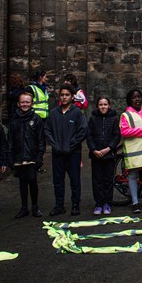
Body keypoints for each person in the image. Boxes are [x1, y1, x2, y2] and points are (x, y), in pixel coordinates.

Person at [45, 84, 87, 216]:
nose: (64, 97)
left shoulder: (77, 113)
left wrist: (71, 145)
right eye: (62, 95)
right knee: (58, 180)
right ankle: (59, 205)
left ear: (72, 96)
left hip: (73, 153)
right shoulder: (53, 113)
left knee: (74, 180)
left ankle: (75, 205)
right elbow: (47, 130)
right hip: (58, 153)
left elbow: (82, 131)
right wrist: (55, 145)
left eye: (67, 95)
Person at [8, 91, 45, 218]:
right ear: (18, 104)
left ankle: (35, 207)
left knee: (32, 181)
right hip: (19, 156)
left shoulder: (37, 119)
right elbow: (11, 139)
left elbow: (41, 139)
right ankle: (24, 208)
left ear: (32, 103)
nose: (25, 104)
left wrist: (40, 156)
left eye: (27, 102)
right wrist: (10, 156)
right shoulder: (14, 120)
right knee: (22, 182)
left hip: (32, 156)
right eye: (22, 102)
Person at [86, 97, 121, 215]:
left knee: (108, 180)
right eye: (101, 104)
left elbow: (116, 135)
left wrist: (108, 148)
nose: (103, 107)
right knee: (97, 180)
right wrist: (94, 149)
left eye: (105, 104)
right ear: (97, 106)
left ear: (109, 105)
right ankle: (98, 203)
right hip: (96, 155)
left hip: (109, 154)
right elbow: (89, 135)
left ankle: (107, 203)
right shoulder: (93, 118)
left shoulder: (114, 119)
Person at [26, 69, 51, 173]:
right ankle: (31, 164)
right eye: (45, 76)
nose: (46, 78)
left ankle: (37, 164)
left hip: (43, 118)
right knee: (34, 142)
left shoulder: (44, 88)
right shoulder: (31, 88)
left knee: (41, 143)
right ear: (40, 77)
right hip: (34, 118)